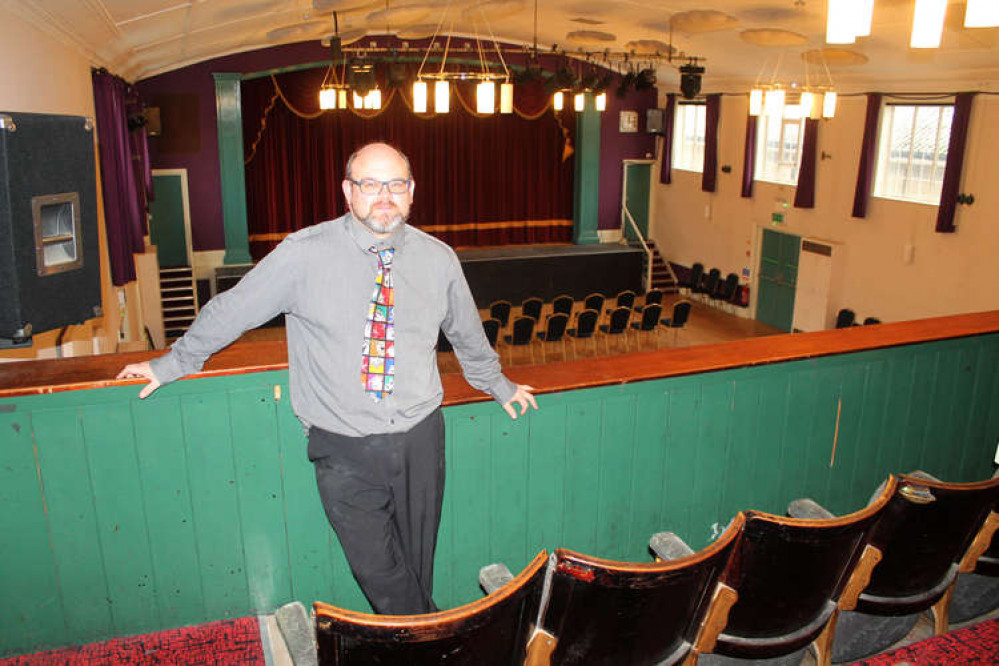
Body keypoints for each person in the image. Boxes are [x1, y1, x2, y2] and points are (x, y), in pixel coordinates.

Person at [117, 142, 537, 614]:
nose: (384, 195)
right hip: (344, 447)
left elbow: (467, 333)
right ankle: (436, 639)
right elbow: (232, 310)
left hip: (422, 438)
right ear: (348, 191)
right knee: (380, 572)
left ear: (412, 191)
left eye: (396, 184)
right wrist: (171, 363)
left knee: (418, 564)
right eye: (370, 184)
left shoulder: (438, 259)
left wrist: (497, 384)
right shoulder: (303, 255)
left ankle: (415, 642)